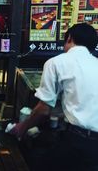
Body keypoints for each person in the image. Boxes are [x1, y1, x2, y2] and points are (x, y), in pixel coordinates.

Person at [10, 23, 98, 171]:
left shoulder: (56, 63)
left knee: (38, 161)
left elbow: (44, 109)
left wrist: (22, 127)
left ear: (69, 38)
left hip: (78, 140)